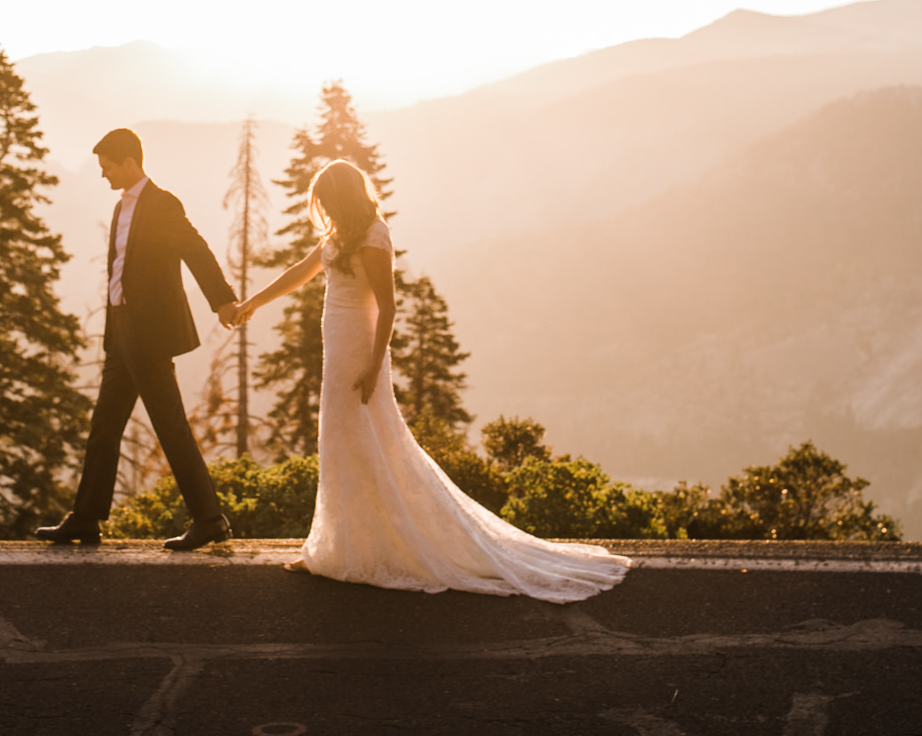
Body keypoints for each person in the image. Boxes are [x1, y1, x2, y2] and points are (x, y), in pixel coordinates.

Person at [224, 160, 628, 602]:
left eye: (325, 200)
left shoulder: (374, 234)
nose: (321, 208)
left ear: (340, 198)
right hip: (336, 346)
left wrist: (375, 367)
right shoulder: (338, 233)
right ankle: (337, 548)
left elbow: (388, 306)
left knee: (370, 441)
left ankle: (362, 547)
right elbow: (300, 271)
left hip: (360, 348)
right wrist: (253, 303)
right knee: (340, 442)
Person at [37, 128, 240, 552]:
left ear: (129, 161)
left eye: (107, 166)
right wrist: (113, 327)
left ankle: (210, 520)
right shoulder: (119, 208)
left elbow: (196, 250)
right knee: (104, 427)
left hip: (149, 336)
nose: (104, 174)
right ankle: (87, 518)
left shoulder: (163, 203)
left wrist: (221, 301)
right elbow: (120, 271)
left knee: (169, 426)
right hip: (122, 332)